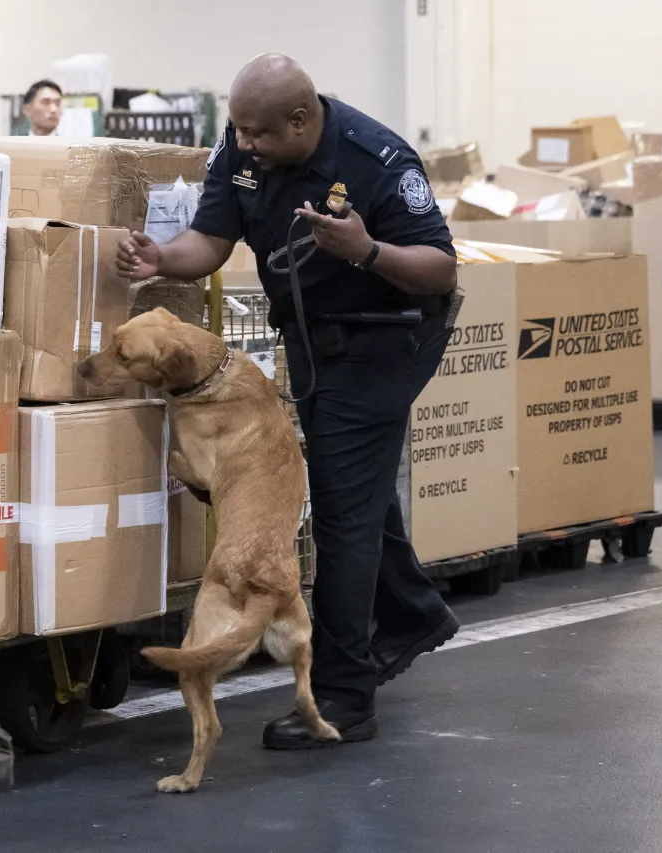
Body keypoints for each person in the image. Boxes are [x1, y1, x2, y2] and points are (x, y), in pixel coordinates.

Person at [116, 54, 461, 748]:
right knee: (354, 489)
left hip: (387, 338)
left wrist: (365, 250)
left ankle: (343, 694)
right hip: (310, 337)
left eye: (258, 133)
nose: (244, 144)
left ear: (301, 120)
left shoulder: (377, 159)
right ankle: (413, 613)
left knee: (340, 510)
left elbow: (440, 266)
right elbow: (211, 237)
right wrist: (162, 261)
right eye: (237, 131)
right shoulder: (243, 150)